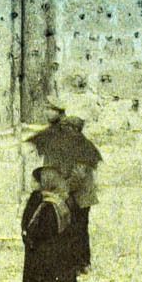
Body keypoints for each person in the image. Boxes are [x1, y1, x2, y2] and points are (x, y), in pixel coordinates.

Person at [21, 165, 81, 282]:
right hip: (60, 258)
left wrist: (29, 234)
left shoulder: (48, 207)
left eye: (36, 180)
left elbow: (42, 232)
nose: (33, 183)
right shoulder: (60, 201)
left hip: (48, 260)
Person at [60, 115, 102, 270]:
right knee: (80, 228)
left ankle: (81, 263)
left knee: (77, 228)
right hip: (81, 196)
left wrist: (65, 188)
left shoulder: (81, 148)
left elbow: (79, 175)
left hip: (81, 197)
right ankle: (82, 262)